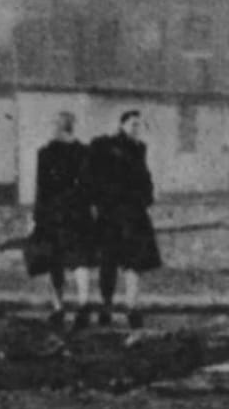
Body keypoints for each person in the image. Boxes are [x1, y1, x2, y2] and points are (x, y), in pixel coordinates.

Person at [87, 109, 161, 328]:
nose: (137, 128)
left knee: (134, 261)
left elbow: (144, 176)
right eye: (133, 124)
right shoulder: (105, 145)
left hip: (134, 213)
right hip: (110, 213)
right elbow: (92, 175)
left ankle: (132, 306)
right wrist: (98, 202)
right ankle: (106, 306)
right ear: (122, 125)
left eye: (140, 125)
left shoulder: (140, 148)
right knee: (108, 262)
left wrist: (147, 197)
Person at [25, 111, 95, 326]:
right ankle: (78, 306)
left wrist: (37, 217)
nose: (50, 130)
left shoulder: (47, 153)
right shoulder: (83, 152)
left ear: (60, 128)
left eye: (53, 125)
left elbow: (42, 188)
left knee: (62, 261)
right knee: (75, 261)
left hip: (57, 213)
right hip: (74, 213)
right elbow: (89, 186)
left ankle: (63, 307)